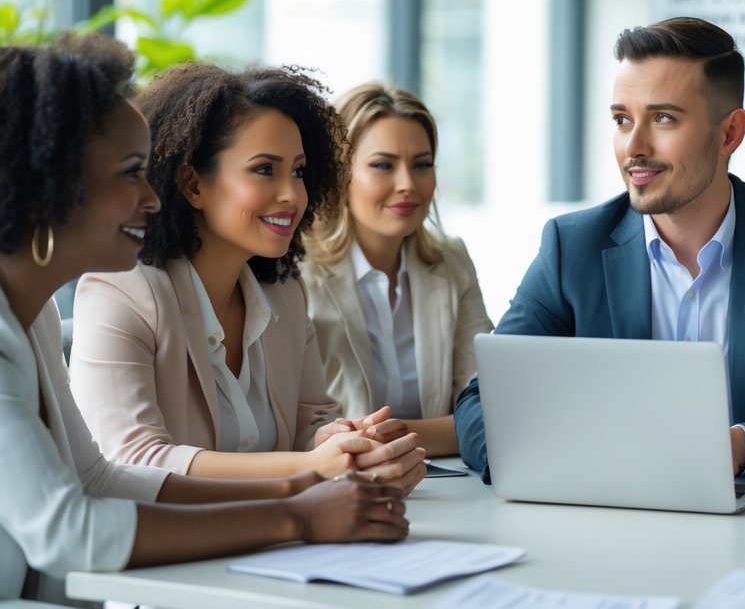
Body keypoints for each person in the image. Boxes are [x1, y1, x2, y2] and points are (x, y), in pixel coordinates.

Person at [0, 35, 408, 603]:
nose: (152, 197)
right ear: (48, 184)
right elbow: (69, 532)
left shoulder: (35, 315)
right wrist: (297, 514)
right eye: (129, 173)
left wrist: (309, 483)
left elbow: (99, 480)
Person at [452, 17, 745, 479]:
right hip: (600, 513)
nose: (633, 146)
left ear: (730, 133)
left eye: (663, 118)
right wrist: (574, 459)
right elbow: (482, 401)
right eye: (621, 120)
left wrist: (744, 446)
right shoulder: (571, 248)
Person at [70, 61, 426, 485]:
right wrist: (313, 464)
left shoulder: (284, 293)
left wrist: (352, 446)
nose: (292, 194)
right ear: (193, 184)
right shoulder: (120, 292)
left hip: (283, 544)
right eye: (264, 169)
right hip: (181, 549)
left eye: (297, 171)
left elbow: (309, 428)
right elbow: (132, 461)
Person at [303, 83, 492, 458]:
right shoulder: (296, 274)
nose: (408, 184)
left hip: (448, 485)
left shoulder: (451, 263)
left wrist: (374, 437)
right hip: (339, 488)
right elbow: (303, 436)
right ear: (339, 173)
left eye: (422, 165)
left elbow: (489, 411)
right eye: (383, 165)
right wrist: (446, 431)